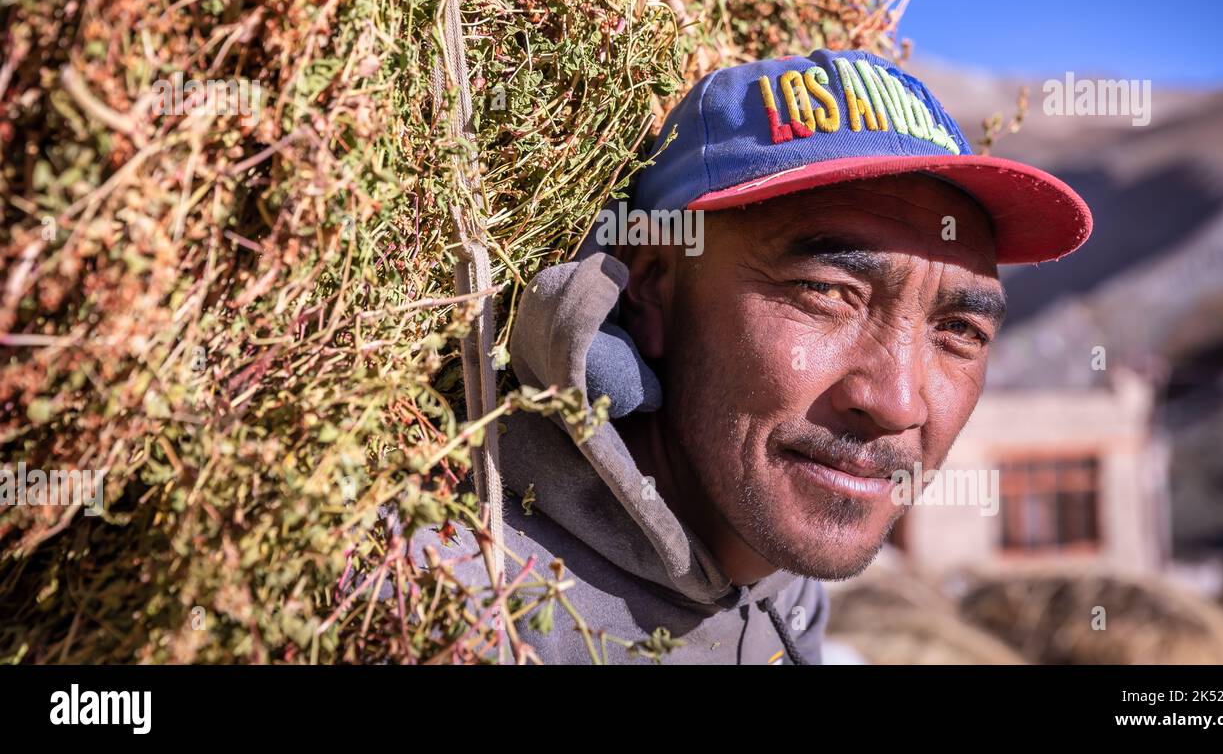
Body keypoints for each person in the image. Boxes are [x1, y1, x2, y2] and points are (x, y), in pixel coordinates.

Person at [405, 48, 1093, 664]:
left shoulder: (786, 589)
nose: (897, 402)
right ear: (651, 291)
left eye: (959, 331)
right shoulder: (453, 609)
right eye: (826, 292)